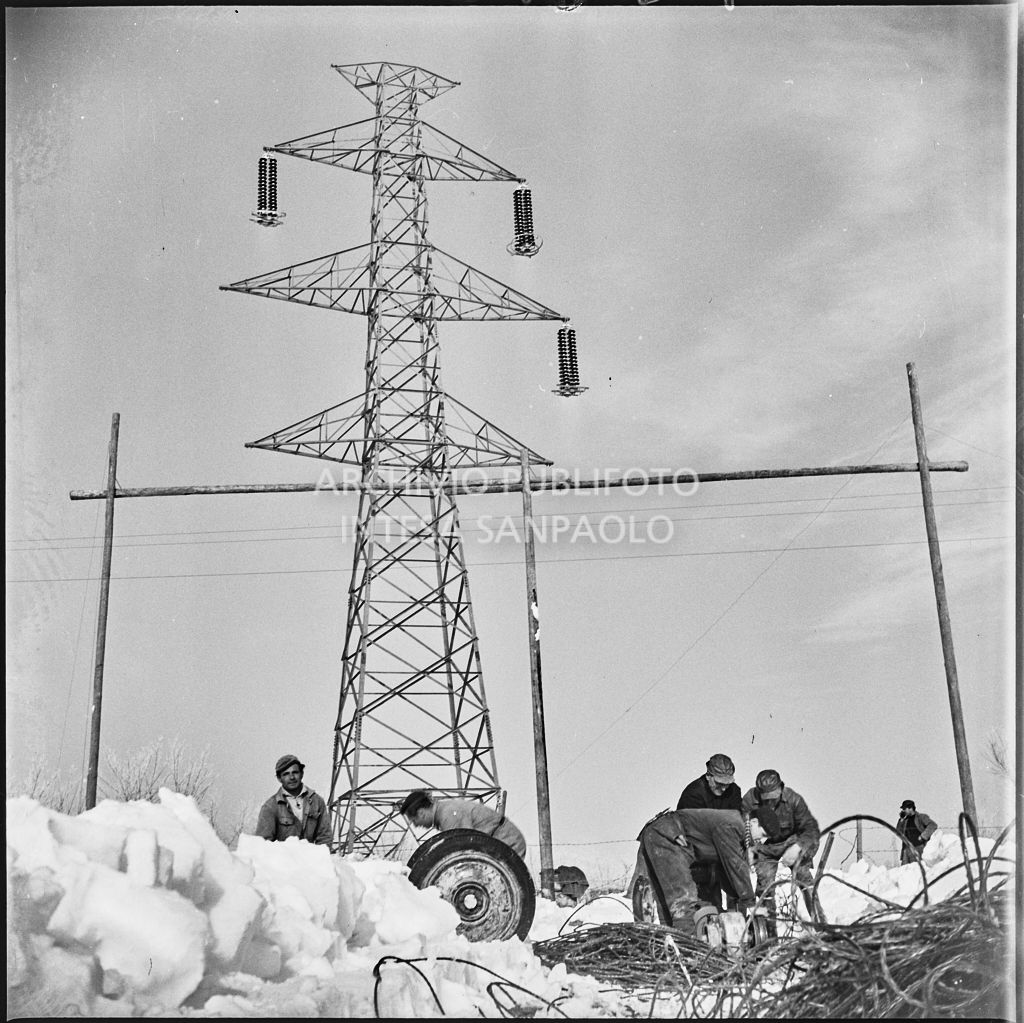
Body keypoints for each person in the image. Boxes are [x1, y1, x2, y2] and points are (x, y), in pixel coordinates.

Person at [638, 807, 755, 936]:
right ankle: (688, 950)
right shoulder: (732, 825)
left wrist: (738, 898)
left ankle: (673, 947)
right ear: (754, 822)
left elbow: (727, 872)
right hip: (668, 834)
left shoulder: (736, 829)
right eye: (764, 833)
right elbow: (735, 865)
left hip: (659, 833)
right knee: (683, 906)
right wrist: (752, 903)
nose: (764, 840)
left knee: (669, 911)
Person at [741, 769, 820, 920]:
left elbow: (811, 830)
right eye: (766, 798)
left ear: (781, 789)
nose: (770, 802)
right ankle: (770, 936)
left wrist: (798, 848)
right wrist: (749, 848)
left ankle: (820, 925)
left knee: (805, 879)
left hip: (791, 842)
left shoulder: (794, 800)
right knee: (765, 887)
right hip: (764, 847)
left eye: (774, 797)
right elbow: (743, 828)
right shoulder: (749, 801)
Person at [675, 753, 743, 910]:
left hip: (725, 850)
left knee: (737, 888)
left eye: (727, 783)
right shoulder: (693, 794)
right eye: (720, 783)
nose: (724, 787)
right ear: (709, 776)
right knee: (708, 903)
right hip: (700, 855)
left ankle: (739, 921)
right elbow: (690, 830)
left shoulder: (733, 791)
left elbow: (738, 819)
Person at [399, 789, 528, 859]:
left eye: (414, 821)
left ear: (421, 813)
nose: (416, 825)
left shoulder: (448, 814)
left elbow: (463, 850)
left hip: (507, 841)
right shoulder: (444, 812)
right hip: (497, 842)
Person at [255, 754, 332, 845]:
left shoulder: (317, 801)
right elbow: (263, 844)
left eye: (295, 772)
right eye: (286, 774)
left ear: (302, 774)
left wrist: (320, 857)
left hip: (311, 858)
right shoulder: (270, 806)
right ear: (279, 778)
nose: (292, 777)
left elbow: (325, 837)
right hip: (283, 858)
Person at [896, 799, 937, 864]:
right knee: (905, 871)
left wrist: (923, 836)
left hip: (919, 847)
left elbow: (933, 825)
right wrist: (901, 820)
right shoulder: (904, 820)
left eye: (904, 808)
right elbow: (898, 832)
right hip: (906, 849)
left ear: (910, 808)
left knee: (917, 870)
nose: (903, 810)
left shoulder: (921, 817)